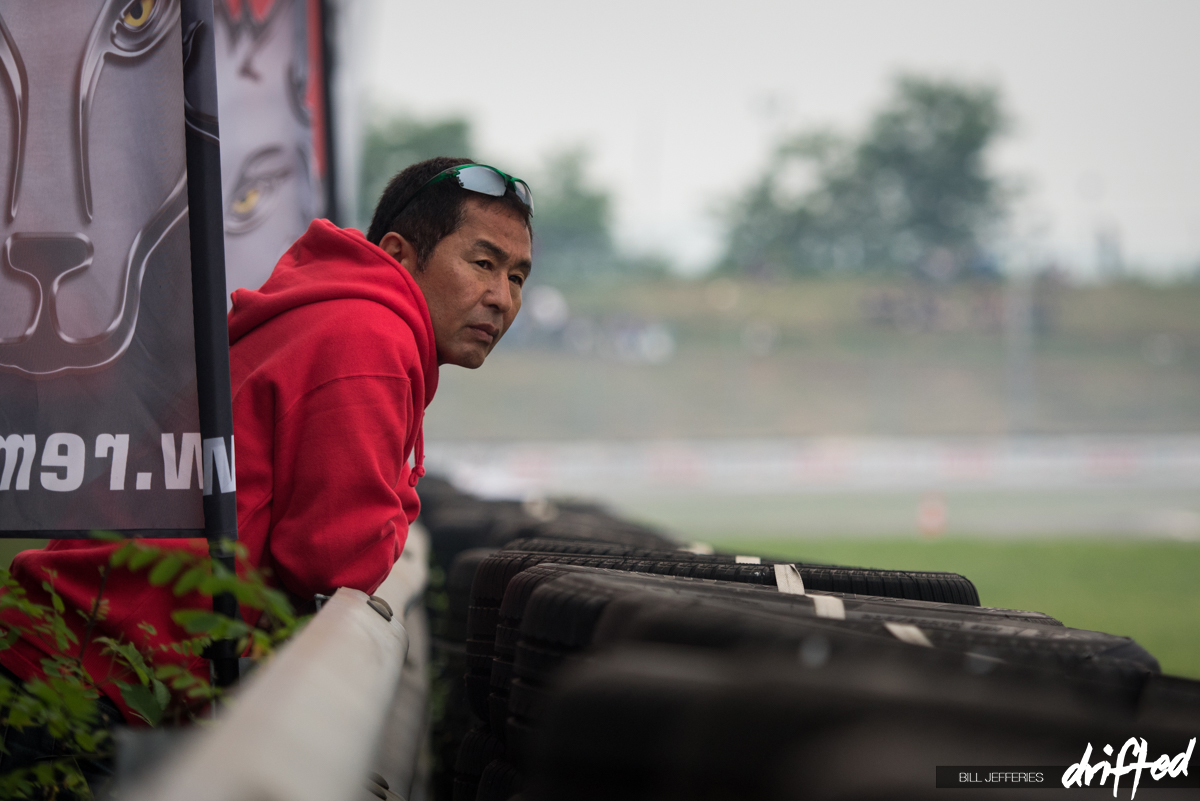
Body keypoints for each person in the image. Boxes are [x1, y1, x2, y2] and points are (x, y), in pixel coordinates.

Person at [0, 157, 532, 744]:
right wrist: (403, 498)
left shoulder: (340, 314)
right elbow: (338, 559)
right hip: (72, 676)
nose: (500, 298)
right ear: (400, 254)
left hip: (63, 649)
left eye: (517, 278)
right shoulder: (367, 336)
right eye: (483, 264)